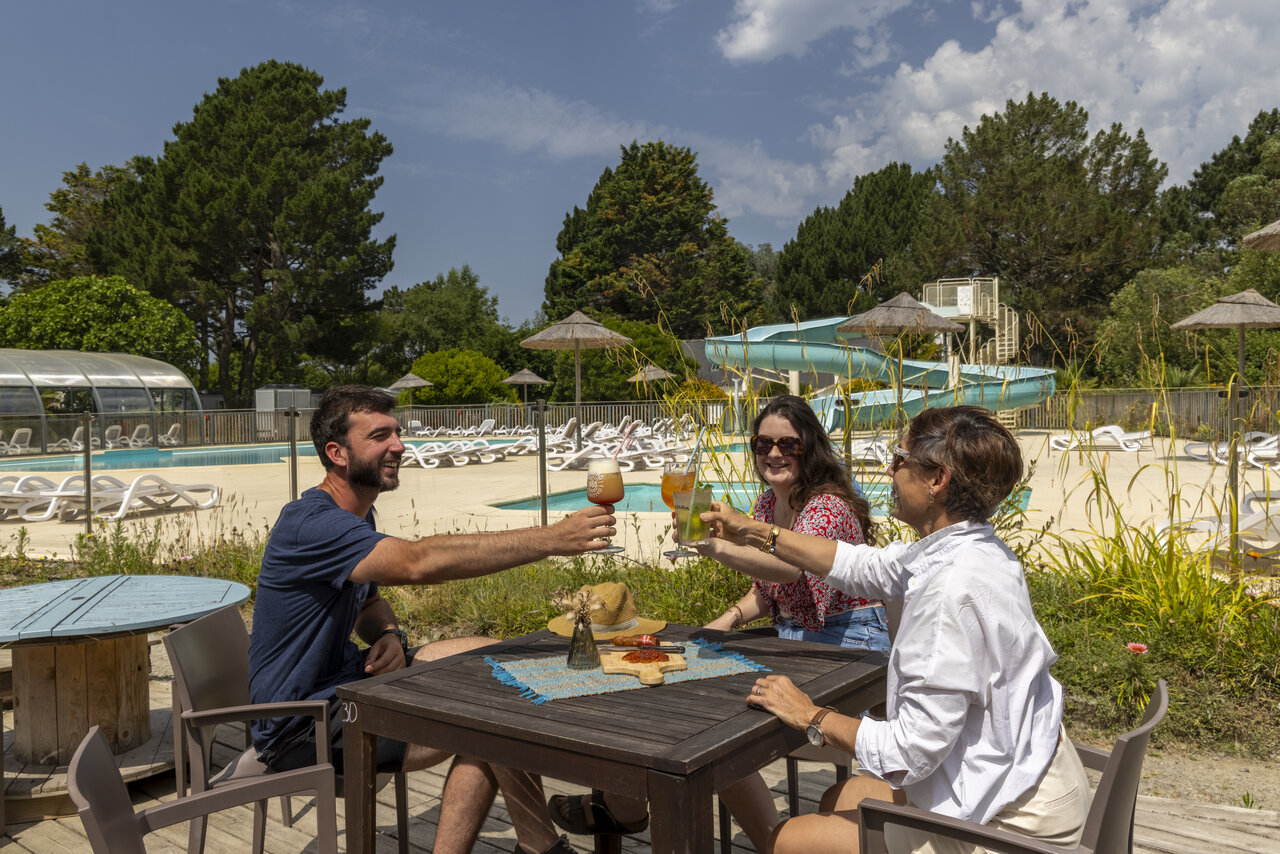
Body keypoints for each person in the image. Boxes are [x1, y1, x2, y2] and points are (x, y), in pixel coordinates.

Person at [699, 406, 1089, 854]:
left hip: (1010, 825)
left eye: (899, 458)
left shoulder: (948, 594)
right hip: (1018, 774)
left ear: (937, 479)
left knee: (787, 841)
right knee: (835, 798)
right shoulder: (969, 547)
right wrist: (753, 530)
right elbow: (859, 564)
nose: (890, 468)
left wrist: (812, 716)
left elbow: (909, 753)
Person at [248, 385, 616, 854]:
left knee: (490, 658)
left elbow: (366, 601)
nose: (399, 446)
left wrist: (389, 634)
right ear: (336, 453)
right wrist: (553, 538)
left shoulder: (357, 514)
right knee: (493, 711)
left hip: (347, 683)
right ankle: (542, 846)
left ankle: (536, 846)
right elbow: (418, 562)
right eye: (380, 435)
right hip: (304, 725)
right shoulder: (310, 524)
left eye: (397, 433)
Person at [548, 396, 889, 850]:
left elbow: (792, 570)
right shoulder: (769, 505)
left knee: (717, 721)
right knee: (692, 699)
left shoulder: (827, 506)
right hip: (799, 639)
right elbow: (769, 594)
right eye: (762, 443)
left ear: (811, 446)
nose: (773, 453)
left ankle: (633, 810)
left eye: (788, 443)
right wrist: (721, 622)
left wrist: (714, 548)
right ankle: (743, 833)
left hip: (850, 646)